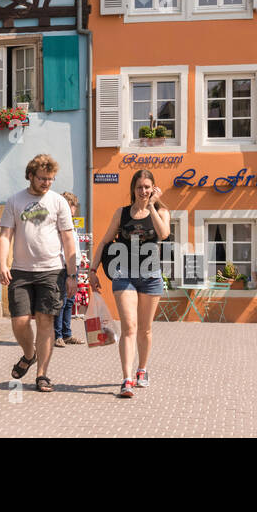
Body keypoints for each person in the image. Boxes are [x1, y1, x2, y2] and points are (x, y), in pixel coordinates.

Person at [0, 154, 78, 393]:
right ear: (30, 176)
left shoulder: (58, 202)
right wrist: (2, 263)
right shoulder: (15, 201)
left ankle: (42, 374)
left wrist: (72, 275)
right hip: (21, 271)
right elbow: (5, 235)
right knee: (19, 321)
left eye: (51, 179)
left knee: (46, 322)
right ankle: (29, 354)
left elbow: (68, 239)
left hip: (52, 271)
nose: (46, 183)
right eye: (42, 178)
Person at [89, 169, 170, 398]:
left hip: (151, 276)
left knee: (145, 329)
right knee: (129, 327)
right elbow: (105, 241)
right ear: (133, 189)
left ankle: (141, 370)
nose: (143, 191)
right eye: (139, 187)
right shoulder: (122, 213)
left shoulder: (162, 211)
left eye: (147, 187)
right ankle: (126, 379)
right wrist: (92, 270)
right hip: (123, 273)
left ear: (153, 188)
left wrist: (152, 206)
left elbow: (163, 234)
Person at [54, 192, 85, 347]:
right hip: (64, 267)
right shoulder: (59, 225)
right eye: (71, 205)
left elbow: (74, 248)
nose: (73, 208)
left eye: (73, 205)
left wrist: (79, 261)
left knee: (70, 300)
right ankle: (57, 335)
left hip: (75, 265)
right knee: (62, 300)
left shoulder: (71, 225)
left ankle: (67, 334)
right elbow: (63, 248)